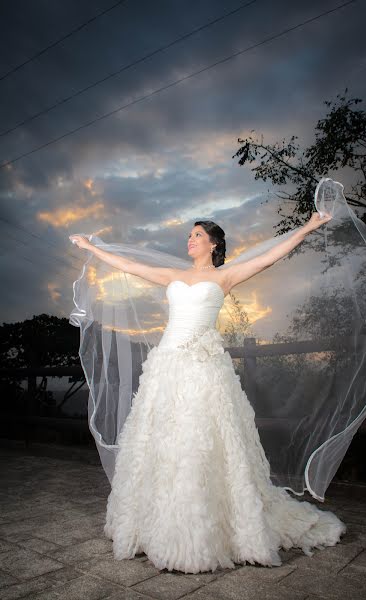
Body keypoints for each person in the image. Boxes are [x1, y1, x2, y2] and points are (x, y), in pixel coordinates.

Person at [69, 203, 350, 574]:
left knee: (199, 441)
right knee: (162, 440)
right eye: (189, 235)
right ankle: (154, 523)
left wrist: (309, 227)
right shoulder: (173, 274)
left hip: (204, 368)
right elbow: (131, 266)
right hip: (166, 366)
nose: (190, 239)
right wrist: (92, 248)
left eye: (197, 235)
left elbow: (269, 257)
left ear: (214, 244)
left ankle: (201, 534)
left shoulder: (225, 277)